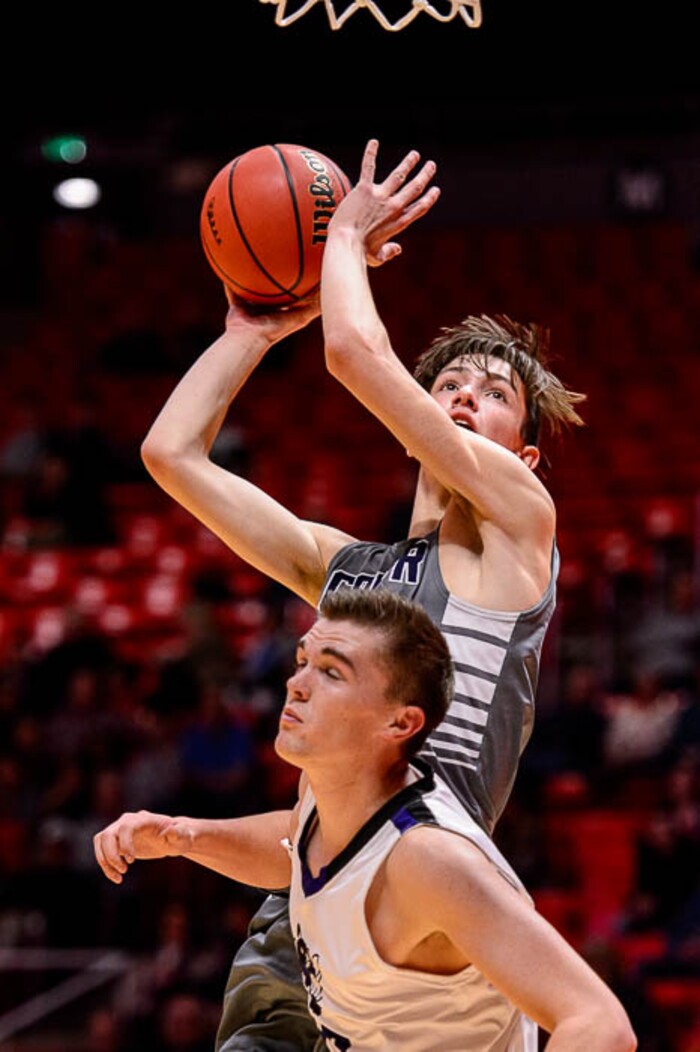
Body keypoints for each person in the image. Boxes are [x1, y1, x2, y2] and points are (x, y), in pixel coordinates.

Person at [139, 139, 585, 1050]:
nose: (461, 395)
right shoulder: (347, 570)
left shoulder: (516, 525)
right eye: (447, 383)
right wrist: (249, 333)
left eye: (491, 393)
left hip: (423, 894)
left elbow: (352, 350)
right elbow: (171, 455)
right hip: (314, 886)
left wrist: (341, 235)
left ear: (527, 454)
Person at [94, 589, 636, 1052]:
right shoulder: (328, 800)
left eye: (331, 672)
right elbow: (296, 843)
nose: (297, 684)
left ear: (400, 722)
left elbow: (599, 1025)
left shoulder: (427, 860)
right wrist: (183, 835)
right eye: (302, 660)